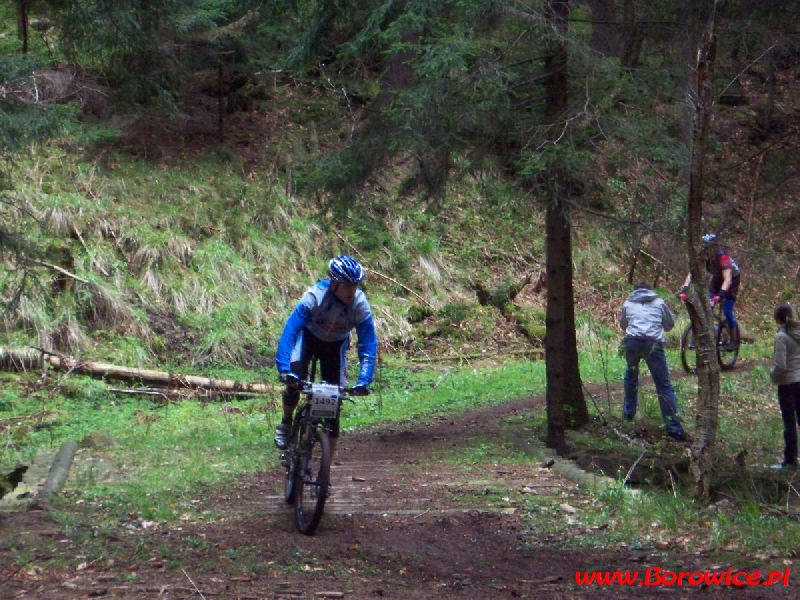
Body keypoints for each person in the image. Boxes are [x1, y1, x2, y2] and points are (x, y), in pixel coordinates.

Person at [273, 255, 378, 453]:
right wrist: (284, 368)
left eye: (355, 286)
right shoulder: (315, 295)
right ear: (334, 284)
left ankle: (326, 473)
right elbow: (291, 330)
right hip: (308, 340)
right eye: (347, 286)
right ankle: (286, 422)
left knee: (334, 403)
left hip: (335, 346)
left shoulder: (360, 305)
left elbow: (368, 343)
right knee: (294, 383)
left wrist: (364, 380)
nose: (352, 291)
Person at [620, 282, 687, 441]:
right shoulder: (659, 302)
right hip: (653, 344)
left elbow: (623, 325)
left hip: (632, 342)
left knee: (631, 376)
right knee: (663, 385)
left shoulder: (628, 303)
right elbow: (670, 324)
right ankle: (673, 427)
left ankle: (628, 414)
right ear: (650, 290)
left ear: (636, 290)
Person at [680, 233, 741, 349]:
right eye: (704, 247)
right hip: (718, 278)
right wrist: (685, 289)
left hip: (732, 279)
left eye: (707, 247)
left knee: (727, 310)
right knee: (706, 307)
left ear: (714, 247)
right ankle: (699, 338)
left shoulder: (723, 257)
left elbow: (728, 279)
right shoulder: (702, 257)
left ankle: (734, 340)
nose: (705, 250)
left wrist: (721, 295)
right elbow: (692, 273)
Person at [770, 303, 800, 470]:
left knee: (789, 424)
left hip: (787, 384)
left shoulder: (781, 337)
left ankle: (790, 461)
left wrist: (772, 375)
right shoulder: (798, 331)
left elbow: (781, 366)